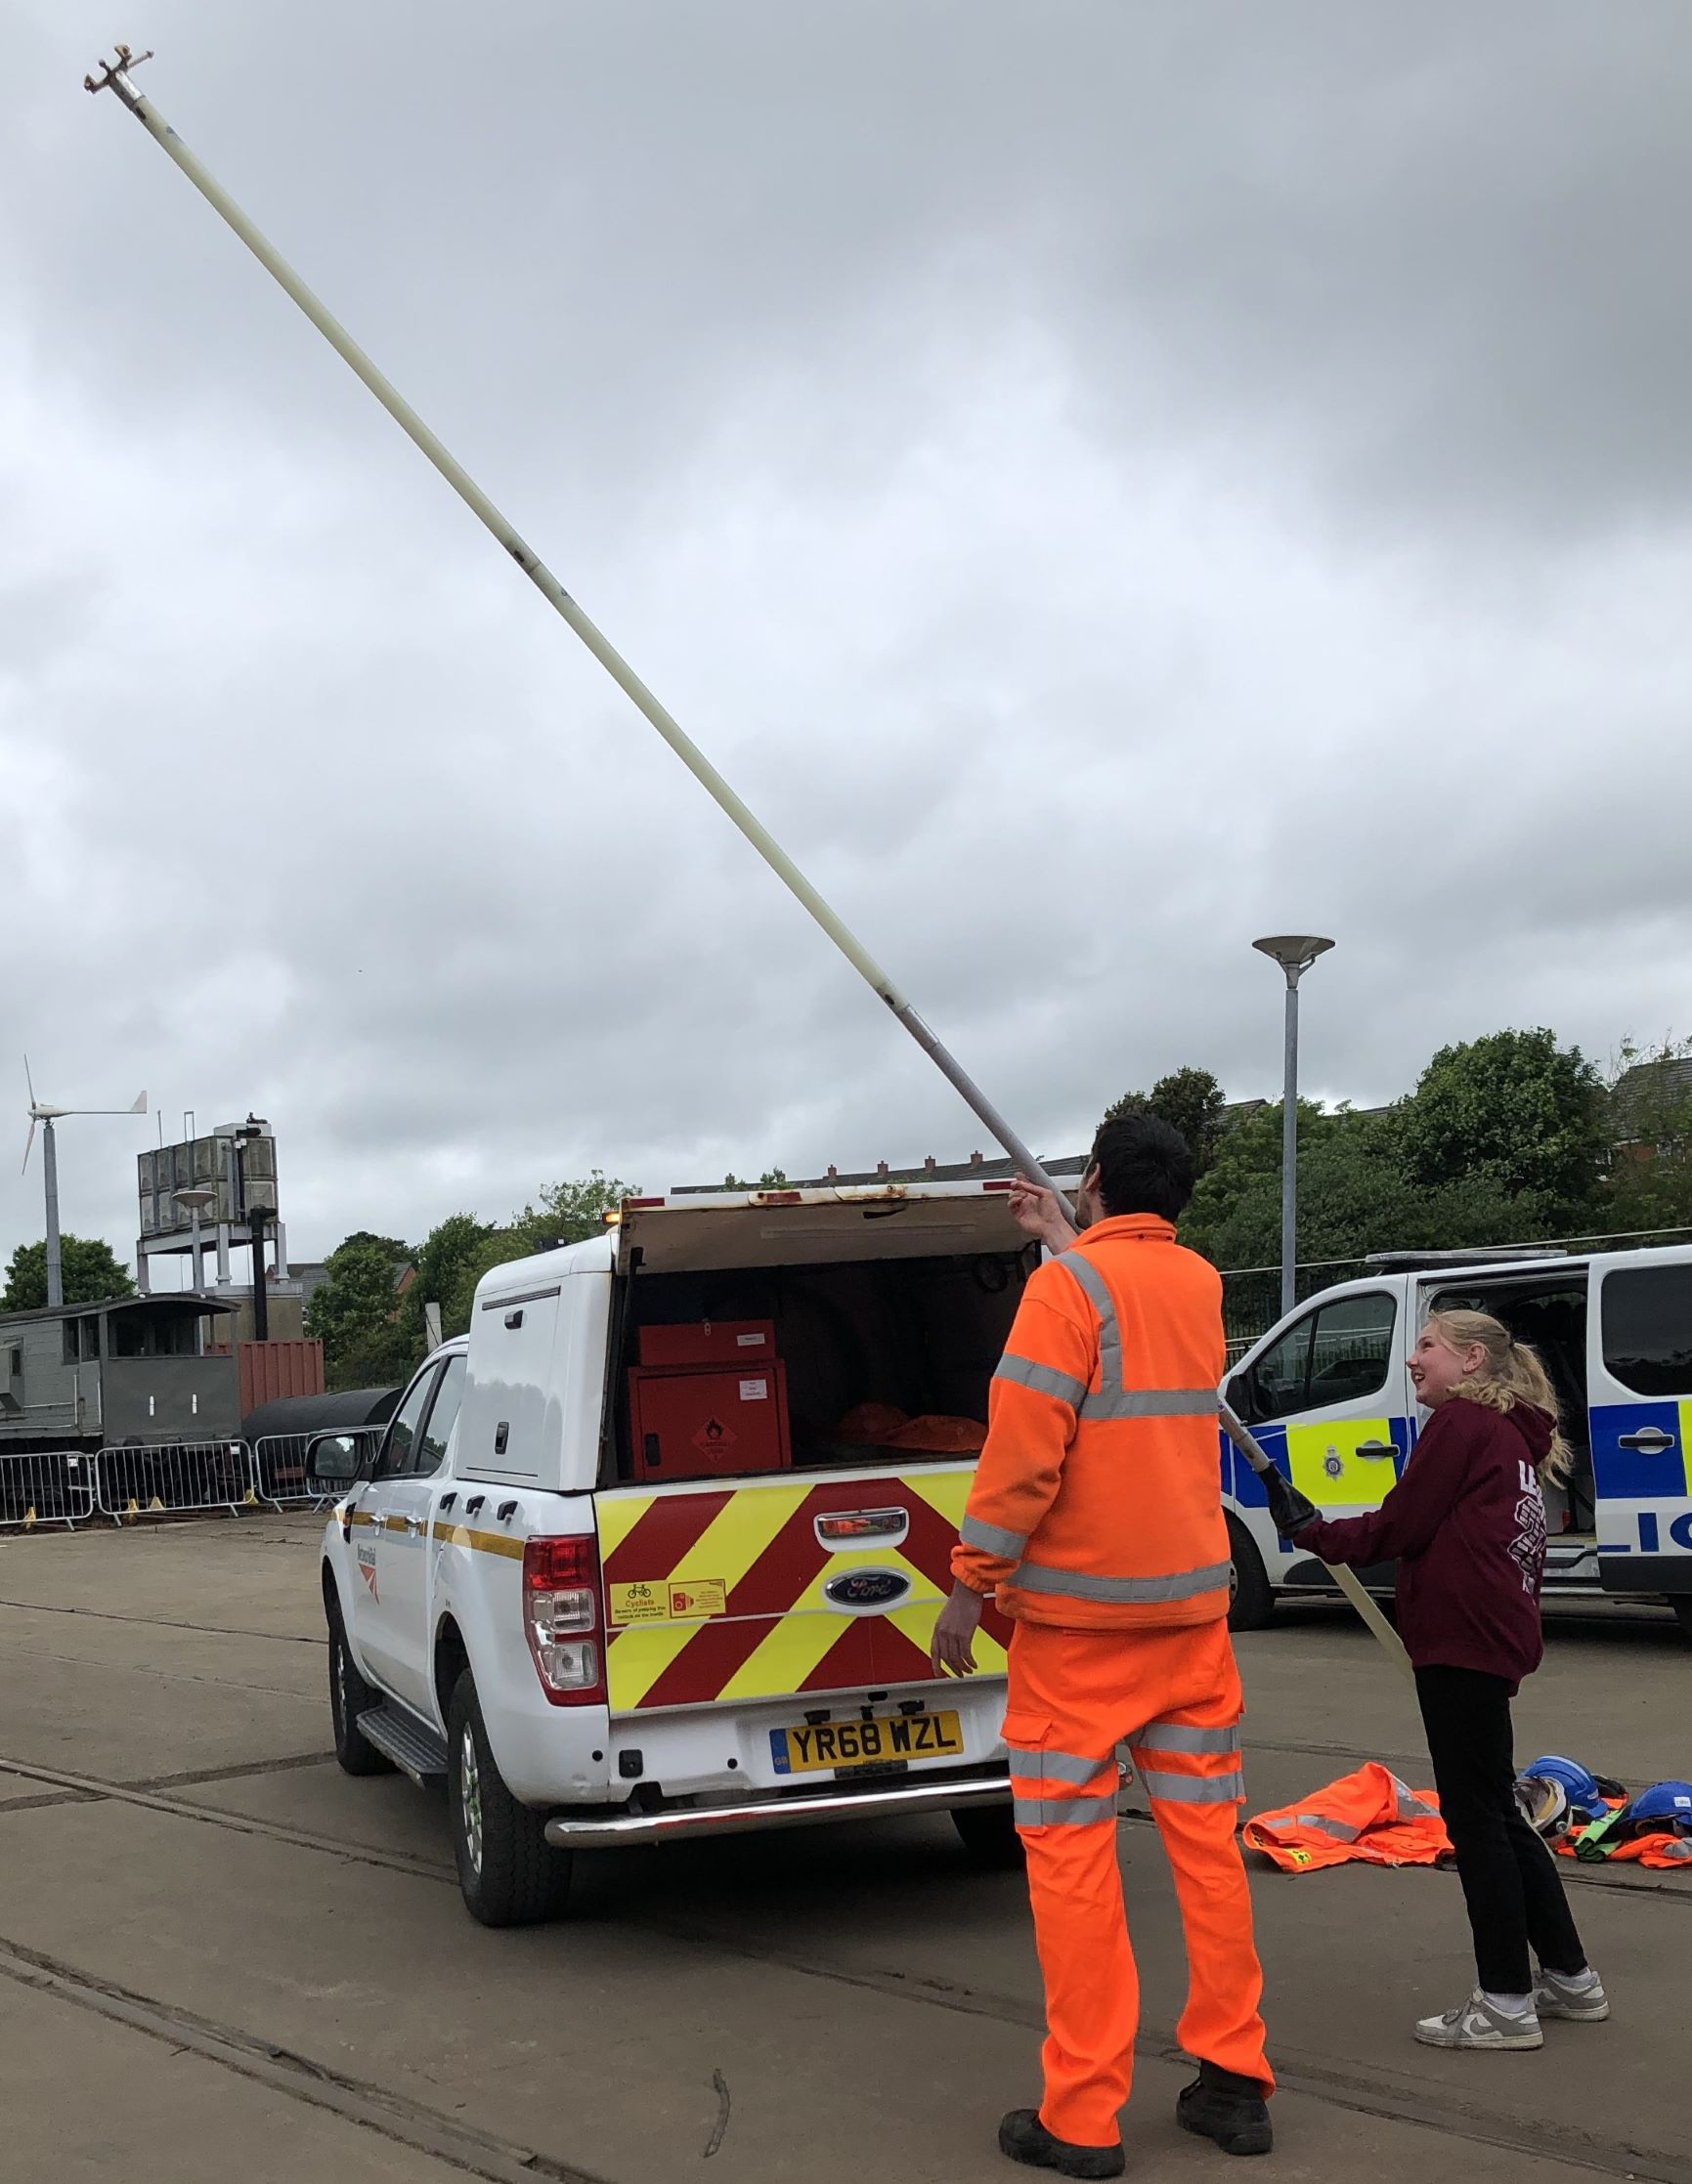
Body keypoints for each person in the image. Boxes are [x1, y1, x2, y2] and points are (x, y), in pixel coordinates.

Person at [931, 1115, 1273, 2179]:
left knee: (1073, 1870)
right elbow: (1127, 1321)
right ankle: (1234, 2081)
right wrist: (1059, 1240)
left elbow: (1024, 1453)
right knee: (1209, 1854)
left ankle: (1081, 2116)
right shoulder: (1202, 1287)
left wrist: (966, 1582)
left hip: (1078, 1638)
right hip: (1191, 1625)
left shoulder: (1063, 1294)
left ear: (1091, 1183)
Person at [1265, 1309, 1606, 2052]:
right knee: (1497, 1811)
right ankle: (1569, 1977)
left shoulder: (1460, 1426)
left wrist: (1312, 1529)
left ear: (1471, 1359)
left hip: (1462, 1643)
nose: (1412, 1361)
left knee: (1477, 1821)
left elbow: (1398, 1526)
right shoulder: (1509, 1435)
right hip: (1488, 1637)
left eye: (1426, 1346)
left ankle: (1505, 2002)